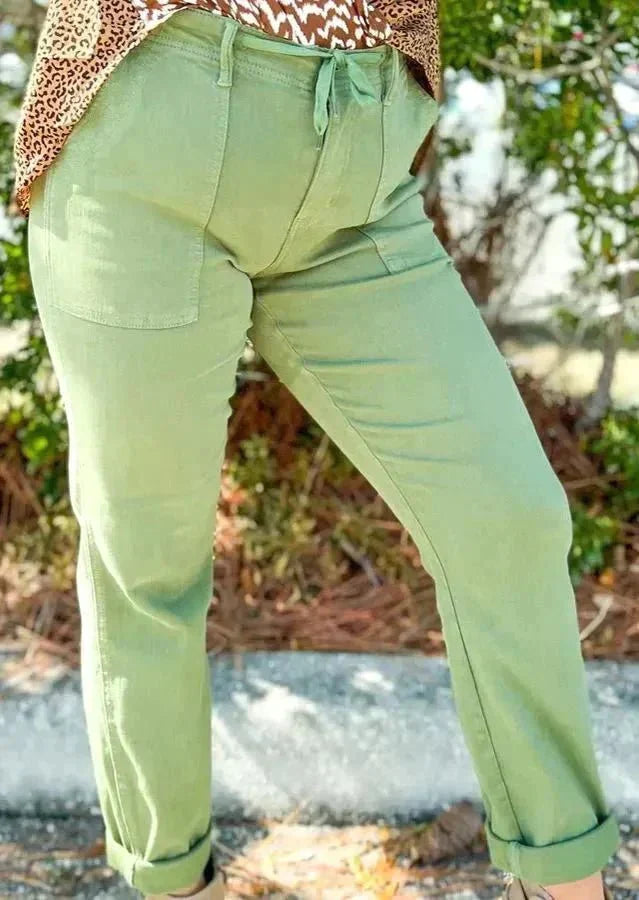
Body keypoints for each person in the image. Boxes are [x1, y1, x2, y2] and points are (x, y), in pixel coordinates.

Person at [13, 1, 620, 898]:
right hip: (152, 129)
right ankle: (176, 883)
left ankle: (565, 880)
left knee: (506, 515)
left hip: (357, 157)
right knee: (149, 569)